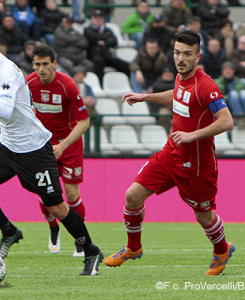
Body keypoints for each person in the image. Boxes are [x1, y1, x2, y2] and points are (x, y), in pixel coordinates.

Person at [0, 23, 103, 276]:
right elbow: (12, 108)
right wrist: (0, 124)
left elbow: (6, 108)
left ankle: (91, 250)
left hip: (34, 148)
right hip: (8, 145)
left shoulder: (8, 70)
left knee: (56, 208)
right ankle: (9, 231)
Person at [104, 30, 235, 276]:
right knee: (132, 195)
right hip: (170, 154)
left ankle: (221, 250)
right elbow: (177, 96)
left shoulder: (206, 86)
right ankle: (133, 248)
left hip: (197, 165)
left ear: (198, 56)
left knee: (203, 216)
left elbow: (227, 121)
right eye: (177, 53)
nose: (181, 58)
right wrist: (146, 97)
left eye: (187, 54)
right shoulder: (180, 77)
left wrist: (192, 135)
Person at [26, 44, 91, 257]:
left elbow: (84, 121)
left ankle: (80, 239)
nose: (41, 69)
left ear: (54, 64)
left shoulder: (67, 85)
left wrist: (63, 146)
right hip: (43, 145)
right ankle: (53, 227)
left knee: (72, 194)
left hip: (69, 144)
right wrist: (2, 124)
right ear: (33, 64)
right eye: (37, 64)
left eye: (46, 64)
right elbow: (18, 109)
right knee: (46, 194)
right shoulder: (28, 83)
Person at [84, 9, 130, 85]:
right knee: (98, 62)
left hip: (107, 55)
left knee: (126, 65)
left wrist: (103, 43)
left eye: (100, 18)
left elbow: (115, 41)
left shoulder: (107, 29)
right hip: (95, 55)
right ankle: (100, 85)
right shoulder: (88, 30)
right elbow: (93, 37)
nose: (98, 20)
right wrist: (106, 39)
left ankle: (129, 85)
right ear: (92, 19)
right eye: (96, 18)